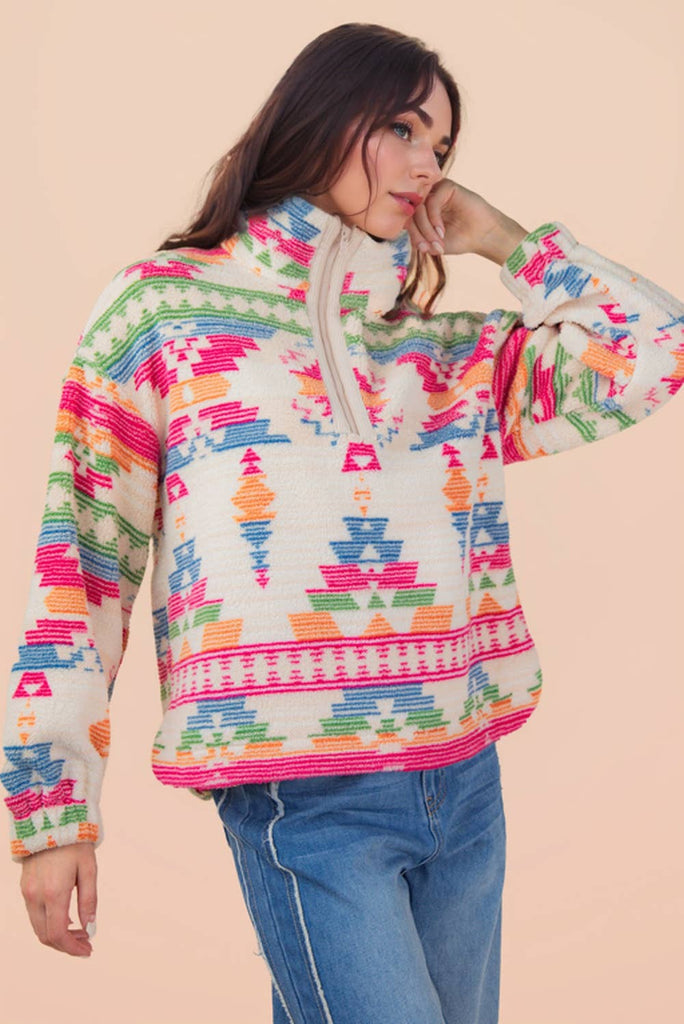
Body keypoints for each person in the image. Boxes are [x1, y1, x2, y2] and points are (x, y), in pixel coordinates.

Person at [2, 20, 683, 1024]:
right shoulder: (162, 314)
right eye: (402, 128)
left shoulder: (447, 356)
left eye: (441, 145)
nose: (427, 164)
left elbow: (655, 351)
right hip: (304, 794)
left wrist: (506, 240)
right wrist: (52, 809)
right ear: (322, 115)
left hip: (463, 779)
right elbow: (84, 563)